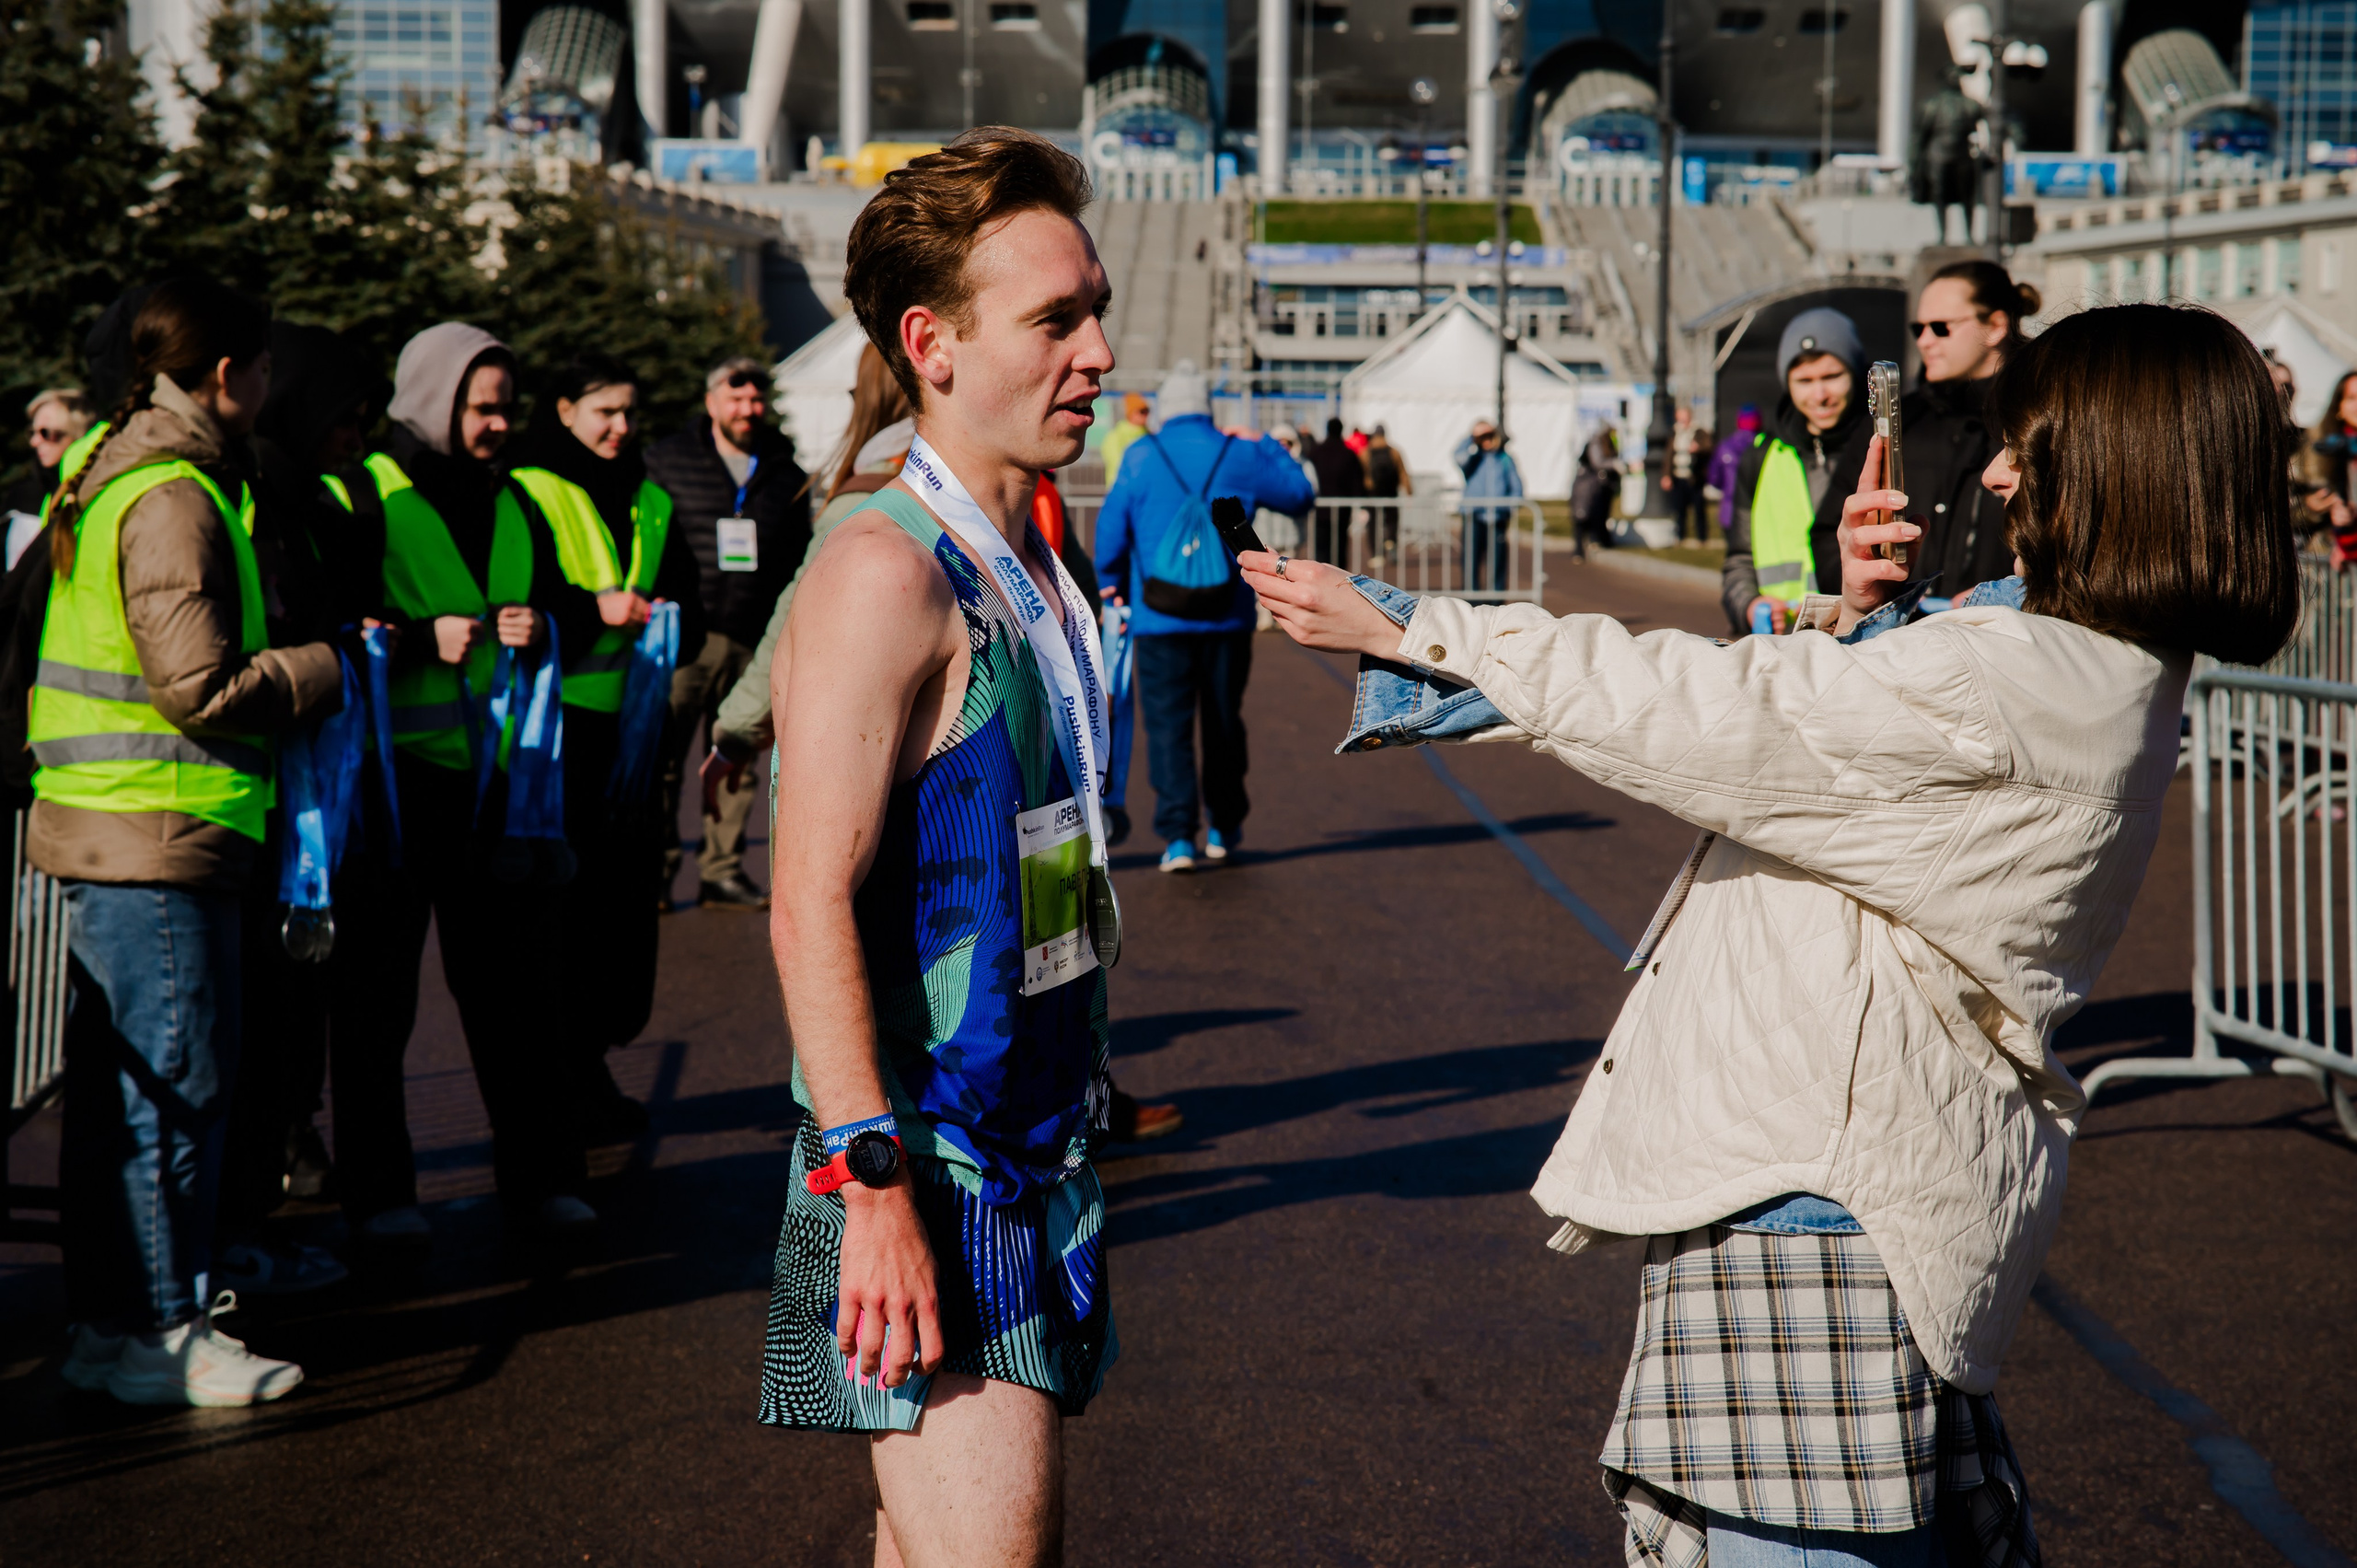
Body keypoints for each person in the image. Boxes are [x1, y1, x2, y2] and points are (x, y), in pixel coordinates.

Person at [1241, 300, 2295, 1568]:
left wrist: (1422, 630)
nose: (1998, 475)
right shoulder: (2100, 662)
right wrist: (1866, 614)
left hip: (1816, 1197)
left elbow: (1722, 711)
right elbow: (1861, 747)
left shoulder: (2007, 675)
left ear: (2114, 469)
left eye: (2029, 448)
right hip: (1857, 1176)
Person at [760, 129, 1124, 1566]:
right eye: (1056, 319)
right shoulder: (883, 569)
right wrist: (873, 1188)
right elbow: (805, 901)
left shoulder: (1028, 554)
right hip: (925, 1167)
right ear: (934, 345)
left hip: (1028, 1144)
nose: (1098, 352)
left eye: (1096, 309)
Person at [39, 275, 345, 1406]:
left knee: (125, 1098)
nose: (268, 385)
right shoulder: (174, 492)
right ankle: (163, 1330)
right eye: (261, 366)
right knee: (173, 1087)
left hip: (122, 826)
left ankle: (112, 1325)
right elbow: (199, 685)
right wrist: (323, 667)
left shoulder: (112, 470)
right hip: (159, 831)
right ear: (227, 375)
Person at [322, 322, 600, 1249]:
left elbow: (569, 607)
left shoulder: (514, 498)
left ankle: (544, 1178)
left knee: (520, 999)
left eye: (505, 408)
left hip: (498, 794)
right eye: (482, 408)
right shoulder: (364, 492)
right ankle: (380, 1196)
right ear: (432, 400)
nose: (498, 425)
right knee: (375, 1008)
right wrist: (414, 639)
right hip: (393, 794)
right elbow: (330, 626)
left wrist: (545, 623)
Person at [211, 320, 386, 1294]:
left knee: (283, 1028)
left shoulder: (307, 495)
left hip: (300, 802)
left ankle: (250, 1218)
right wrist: (329, 655)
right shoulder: (251, 494)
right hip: (253, 804)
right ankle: (229, 1234)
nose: (356, 436)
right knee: (248, 1037)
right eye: (345, 416)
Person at [502, 354, 705, 1142]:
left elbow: (688, 601)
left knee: (619, 912)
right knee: (567, 914)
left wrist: (668, 618)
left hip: (632, 735)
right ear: (564, 411)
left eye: (628, 412)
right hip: (558, 739)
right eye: (604, 413)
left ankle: (588, 1060)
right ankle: (568, 1079)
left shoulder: (651, 498)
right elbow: (519, 603)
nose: (621, 428)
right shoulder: (529, 489)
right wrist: (598, 611)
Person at [1094, 360, 1312, 873]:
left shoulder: (1142, 454)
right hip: (1226, 617)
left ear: (1166, 409)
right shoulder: (1239, 453)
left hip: (1158, 618)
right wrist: (1263, 443)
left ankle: (1177, 838)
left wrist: (1110, 580)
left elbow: (1111, 528)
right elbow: (1300, 495)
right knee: (1223, 720)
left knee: (1167, 727)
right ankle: (1224, 827)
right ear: (1207, 409)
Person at [645, 356, 810, 912]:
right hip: (685, 637)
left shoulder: (785, 472)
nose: (747, 408)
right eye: (735, 398)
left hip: (753, 637)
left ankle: (721, 870)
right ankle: (658, 871)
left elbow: (798, 555)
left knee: (735, 758)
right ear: (711, 401)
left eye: (756, 398)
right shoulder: (667, 461)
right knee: (665, 760)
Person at [1892, 261, 2038, 603]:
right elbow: (1834, 527)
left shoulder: (2039, 414)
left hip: (2005, 626)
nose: (1925, 341)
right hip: (1907, 625)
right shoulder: (1903, 418)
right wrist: (1887, 596)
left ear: (1996, 326)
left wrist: (2003, 595)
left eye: (1940, 327)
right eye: (1918, 329)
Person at [1722, 308, 1868, 636]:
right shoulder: (1759, 457)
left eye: (1832, 376)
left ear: (1856, 373)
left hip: (1866, 638)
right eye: (1805, 381)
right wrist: (1749, 604)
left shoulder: (1883, 448)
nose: (1820, 395)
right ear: (1786, 383)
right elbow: (1739, 559)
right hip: (1784, 642)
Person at [6, 389, 99, 566]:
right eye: (31, 432)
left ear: (77, 433)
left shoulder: (94, 488)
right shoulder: (35, 496)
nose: (34, 442)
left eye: (45, 433)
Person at [1454, 417, 1524, 590]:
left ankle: (1496, 600)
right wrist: (1472, 437)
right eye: (1482, 437)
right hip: (1473, 516)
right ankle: (1471, 600)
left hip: (1497, 518)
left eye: (1489, 435)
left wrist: (1507, 508)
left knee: (1497, 562)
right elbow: (1458, 456)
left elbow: (1517, 487)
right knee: (1470, 561)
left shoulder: (1505, 459)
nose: (1486, 440)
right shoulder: (1473, 459)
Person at [2298, 369, 2357, 563]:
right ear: (2339, 406)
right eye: (2351, 398)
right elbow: (2283, 508)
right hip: (2322, 562)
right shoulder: (2317, 450)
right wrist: (2311, 508)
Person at [1306, 414, 1364, 563]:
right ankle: (1339, 577)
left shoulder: (1316, 452)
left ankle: (1321, 576)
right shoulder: (1348, 454)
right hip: (1342, 509)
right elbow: (1357, 481)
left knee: (1321, 549)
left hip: (1320, 508)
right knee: (1340, 548)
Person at [1569, 424, 1620, 562]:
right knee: (1582, 516)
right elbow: (1597, 462)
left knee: (1598, 515)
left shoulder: (1611, 443)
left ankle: (1596, 540)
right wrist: (1614, 464)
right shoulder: (1596, 442)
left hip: (1599, 486)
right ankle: (1579, 550)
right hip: (1587, 486)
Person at [1363, 423, 1411, 565]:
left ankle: (1377, 554)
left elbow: (1362, 472)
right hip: (1391, 491)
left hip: (1372, 493)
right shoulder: (1394, 451)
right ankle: (1391, 542)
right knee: (1392, 520)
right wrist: (1409, 491)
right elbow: (1403, 472)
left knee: (1373, 523)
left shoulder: (1366, 452)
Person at [1707, 405, 1759, 531]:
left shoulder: (1725, 446)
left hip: (1730, 510)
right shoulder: (1766, 447)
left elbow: (1714, 477)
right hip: (1759, 509)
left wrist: (1727, 489)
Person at [1100, 390, 1151, 485]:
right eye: (1142, 411)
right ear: (1131, 413)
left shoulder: (1151, 435)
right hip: (1122, 488)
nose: (1146, 415)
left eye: (1147, 411)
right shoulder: (1115, 436)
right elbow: (1117, 466)